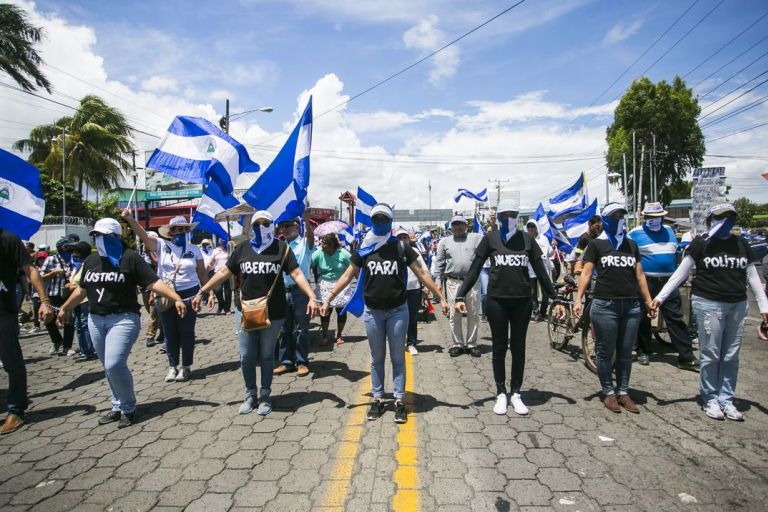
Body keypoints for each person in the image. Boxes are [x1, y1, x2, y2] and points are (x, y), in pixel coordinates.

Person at [322, 204, 448, 424]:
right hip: (373, 313)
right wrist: (328, 298)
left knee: (398, 358)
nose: (380, 222)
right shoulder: (363, 249)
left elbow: (421, 273)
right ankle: (378, 399)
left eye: (384, 219)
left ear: (390, 222)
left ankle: (399, 401)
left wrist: (442, 297)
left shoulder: (401, 247)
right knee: (376, 358)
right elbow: (347, 276)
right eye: (376, 219)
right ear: (372, 221)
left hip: (398, 311)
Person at [58, 218, 186, 428]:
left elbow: (154, 282)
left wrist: (176, 298)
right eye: (96, 236)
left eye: (105, 236)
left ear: (117, 237)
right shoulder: (91, 261)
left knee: (114, 363)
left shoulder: (130, 258)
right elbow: (82, 290)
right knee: (107, 366)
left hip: (123, 318)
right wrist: (65, 307)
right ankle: (116, 405)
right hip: (96, 319)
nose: (100, 239)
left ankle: (128, 406)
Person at [192, 211, 318, 416]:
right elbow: (225, 272)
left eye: (265, 223)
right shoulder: (242, 248)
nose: (261, 227)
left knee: (267, 355)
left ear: (272, 224)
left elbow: (296, 273)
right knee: (246, 356)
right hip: (245, 310)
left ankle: (265, 395)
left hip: (274, 312)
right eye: (257, 223)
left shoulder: (281, 248)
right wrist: (203, 291)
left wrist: (312, 296)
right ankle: (250, 394)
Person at [653, 203, 768, 421]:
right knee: (712, 353)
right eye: (722, 218)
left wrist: (764, 307)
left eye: (731, 217)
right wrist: (659, 298)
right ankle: (710, 398)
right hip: (709, 303)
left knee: (731, 354)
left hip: (737, 305)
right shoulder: (701, 244)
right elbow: (681, 273)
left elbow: (753, 277)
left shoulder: (741, 243)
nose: (727, 222)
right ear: (711, 220)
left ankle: (727, 399)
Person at [455, 198, 561, 416]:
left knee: (519, 347)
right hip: (497, 302)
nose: (509, 219)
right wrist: (460, 295)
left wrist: (555, 298)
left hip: (522, 302)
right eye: (505, 215)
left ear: (518, 217)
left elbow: (541, 272)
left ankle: (516, 392)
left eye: (513, 215)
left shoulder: (527, 240)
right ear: (499, 217)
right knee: (499, 347)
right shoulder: (490, 239)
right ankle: (501, 392)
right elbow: (474, 269)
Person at [574, 203, 656, 414]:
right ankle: (608, 392)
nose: (619, 218)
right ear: (605, 219)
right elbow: (586, 273)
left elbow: (639, 275)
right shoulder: (596, 245)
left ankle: (624, 392)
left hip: (630, 305)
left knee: (626, 351)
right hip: (605, 305)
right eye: (614, 215)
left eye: (622, 215)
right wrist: (578, 299)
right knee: (605, 350)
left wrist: (648, 300)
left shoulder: (631, 245)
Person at [122, 210, 213, 382]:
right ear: (170, 233)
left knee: (186, 333)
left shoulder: (195, 250)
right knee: (170, 333)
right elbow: (143, 236)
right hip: (165, 296)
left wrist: (209, 293)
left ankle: (186, 366)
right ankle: (172, 366)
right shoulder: (162, 246)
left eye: (183, 230)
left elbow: (202, 273)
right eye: (177, 230)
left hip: (190, 295)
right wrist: (130, 219)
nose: (180, 233)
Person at [628, 203, 698, 370]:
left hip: (669, 282)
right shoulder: (634, 234)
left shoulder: (669, 231)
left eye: (657, 217)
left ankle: (686, 356)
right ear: (645, 217)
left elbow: (676, 253)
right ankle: (643, 351)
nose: (654, 220)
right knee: (643, 317)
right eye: (651, 218)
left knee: (675, 317)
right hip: (646, 282)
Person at [0, 228, 53, 434]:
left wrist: (45, 301)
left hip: (3, 311)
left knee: (12, 363)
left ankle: (15, 410)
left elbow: (30, 270)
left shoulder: (8, 239)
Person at [434, 215, 484, 357]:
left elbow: (491, 240)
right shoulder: (444, 242)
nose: (458, 227)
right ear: (451, 227)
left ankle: (472, 344)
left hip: (473, 282)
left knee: (473, 313)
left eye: (460, 224)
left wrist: (493, 224)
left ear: (466, 226)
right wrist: (437, 280)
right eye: (455, 224)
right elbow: (439, 263)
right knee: (455, 314)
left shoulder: (476, 238)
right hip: (453, 282)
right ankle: (457, 344)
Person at [274, 213, 315, 377]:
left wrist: (307, 221)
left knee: (301, 329)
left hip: (300, 292)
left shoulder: (305, 243)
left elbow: (311, 238)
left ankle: (302, 362)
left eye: (288, 225)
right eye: (282, 226)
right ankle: (286, 362)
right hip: (282, 291)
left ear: (297, 226)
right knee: (283, 329)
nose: (284, 229)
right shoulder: (279, 245)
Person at [311, 233, 352, 346]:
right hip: (325, 284)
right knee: (325, 312)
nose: (322, 245)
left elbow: (354, 267)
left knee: (341, 311)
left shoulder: (343, 254)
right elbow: (310, 264)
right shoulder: (318, 253)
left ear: (332, 244)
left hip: (341, 285)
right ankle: (324, 335)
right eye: (322, 243)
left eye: (325, 243)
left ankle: (339, 334)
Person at [40, 236, 78, 355]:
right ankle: (56, 341)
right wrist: (54, 272)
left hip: (68, 294)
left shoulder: (73, 259)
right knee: (48, 319)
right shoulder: (51, 259)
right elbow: (41, 277)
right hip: (53, 294)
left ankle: (67, 346)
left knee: (69, 320)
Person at [396, 227, 429, 355]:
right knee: (397, 318)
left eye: (405, 237)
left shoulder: (415, 251)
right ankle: (398, 342)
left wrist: (426, 286)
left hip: (413, 289)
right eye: (399, 237)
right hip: (397, 290)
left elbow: (423, 270)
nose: (402, 240)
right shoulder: (393, 251)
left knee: (412, 318)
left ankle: (411, 343)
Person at [67, 241, 97, 362]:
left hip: (85, 299)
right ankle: (83, 349)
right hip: (76, 300)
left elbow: (86, 282)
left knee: (84, 325)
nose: (74, 253)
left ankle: (88, 350)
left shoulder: (88, 264)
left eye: (76, 251)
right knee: (78, 325)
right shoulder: (78, 265)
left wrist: (74, 286)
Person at [525, 219, 554, 322]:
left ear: (536, 227)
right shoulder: (526, 239)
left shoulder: (544, 239)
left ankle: (543, 312)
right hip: (530, 270)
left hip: (543, 269)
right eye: (529, 226)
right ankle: (536, 312)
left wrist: (553, 247)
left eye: (532, 226)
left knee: (545, 292)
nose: (531, 228)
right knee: (532, 293)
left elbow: (549, 253)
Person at [140, 232, 164, 348]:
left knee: (153, 313)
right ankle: (163, 331)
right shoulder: (141, 256)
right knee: (151, 312)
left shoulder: (159, 252)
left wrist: (150, 252)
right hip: (144, 287)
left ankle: (150, 336)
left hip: (156, 286)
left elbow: (157, 263)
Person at [209, 239, 232, 315]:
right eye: (222, 241)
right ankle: (220, 305)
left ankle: (227, 308)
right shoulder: (215, 251)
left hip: (228, 273)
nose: (223, 242)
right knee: (218, 290)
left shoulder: (229, 250)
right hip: (217, 273)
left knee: (228, 292)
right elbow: (211, 262)